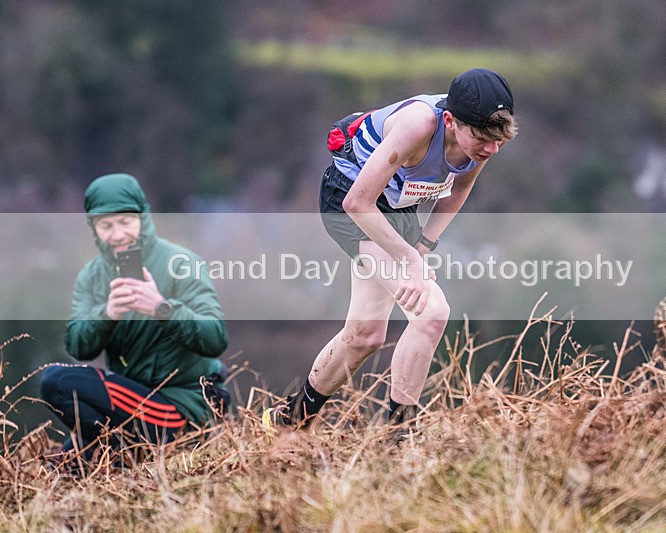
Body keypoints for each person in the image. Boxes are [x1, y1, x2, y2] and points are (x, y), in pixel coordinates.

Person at [271, 68, 518, 430]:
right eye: (483, 139)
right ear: (450, 121)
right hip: (349, 201)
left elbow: (461, 189)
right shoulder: (416, 126)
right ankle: (399, 437)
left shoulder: (485, 136)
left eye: (500, 141)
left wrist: (424, 245)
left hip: (395, 209)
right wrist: (410, 259)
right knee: (431, 312)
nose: (492, 150)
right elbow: (358, 203)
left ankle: (289, 420)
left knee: (365, 336)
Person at [40, 173, 229, 467]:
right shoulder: (91, 276)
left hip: (181, 406)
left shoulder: (181, 263)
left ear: (143, 217)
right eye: (106, 225)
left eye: (125, 222)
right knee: (62, 468)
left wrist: (161, 308)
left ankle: (125, 455)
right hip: (130, 405)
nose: (117, 235)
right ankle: (122, 455)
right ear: (94, 229)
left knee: (57, 380)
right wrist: (107, 315)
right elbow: (78, 346)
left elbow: (216, 338)